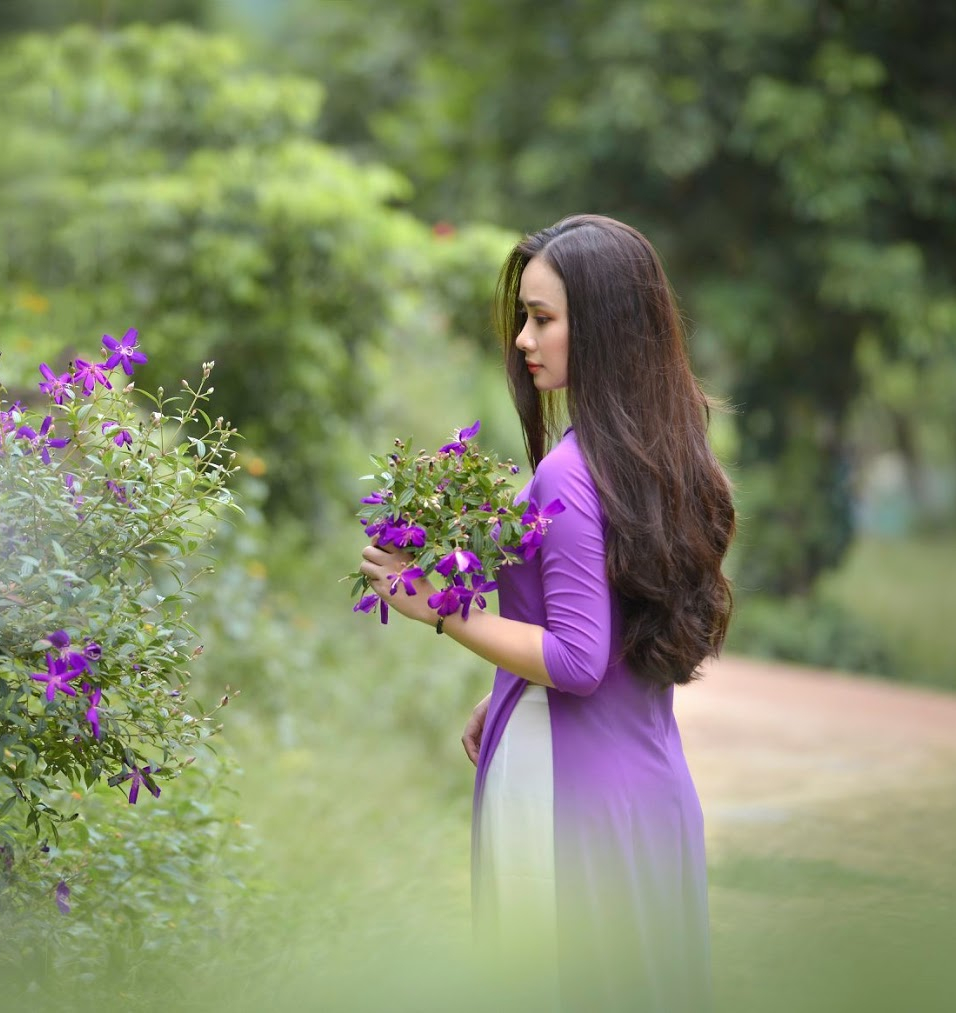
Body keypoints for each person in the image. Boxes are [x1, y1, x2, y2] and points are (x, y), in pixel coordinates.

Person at [357, 214, 735, 1011]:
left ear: (602, 327)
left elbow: (576, 658)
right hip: (650, 794)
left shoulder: (569, 473)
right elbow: (614, 631)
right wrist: (501, 691)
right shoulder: (664, 450)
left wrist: (436, 606)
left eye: (543, 318)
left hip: (569, 802)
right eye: (524, 317)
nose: (525, 340)